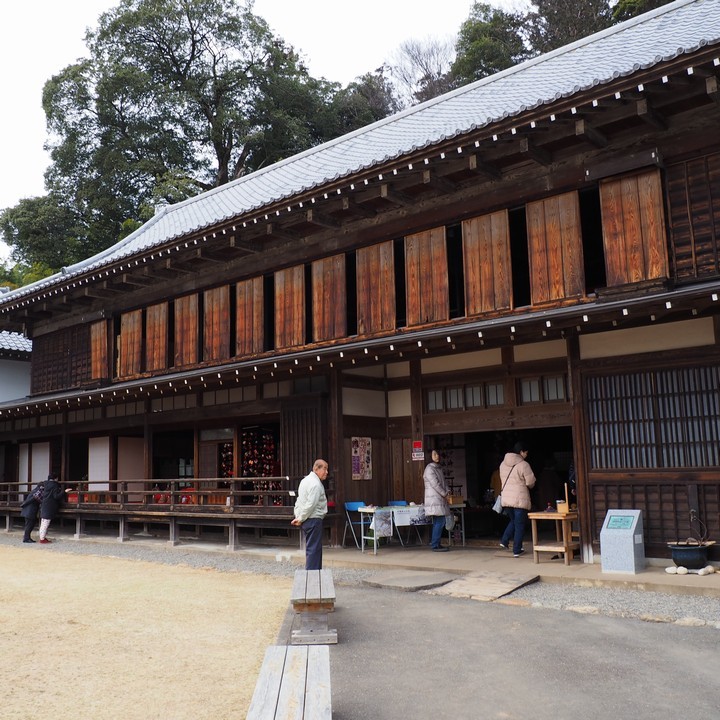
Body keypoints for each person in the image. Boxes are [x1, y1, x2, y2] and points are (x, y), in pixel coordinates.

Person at [499, 441, 536, 557]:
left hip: (506, 499)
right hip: (519, 499)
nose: (526, 455)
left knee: (514, 521)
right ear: (521, 452)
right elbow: (530, 482)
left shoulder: (502, 464)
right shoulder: (524, 465)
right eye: (525, 453)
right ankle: (517, 550)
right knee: (519, 524)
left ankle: (504, 540)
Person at [291, 459, 329, 570]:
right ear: (316, 469)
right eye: (325, 469)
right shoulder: (316, 484)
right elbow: (311, 504)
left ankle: (314, 573)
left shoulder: (305, 481)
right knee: (314, 549)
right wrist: (301, 518)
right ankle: (312, 574)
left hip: (307, 518)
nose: (326, 472)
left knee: (313, 547)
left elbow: (299, 500)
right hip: (313, 518)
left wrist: (298, 516)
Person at [423, 449, 450, 552]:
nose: (437, 456)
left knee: (439, 521)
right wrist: (444, 494)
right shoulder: (429, 469)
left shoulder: (438, 468)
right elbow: (436, 485)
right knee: (440, 521)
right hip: (435, 499)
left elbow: (443, 483)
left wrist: (447, 491)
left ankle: (437, 544)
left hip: (439, 498)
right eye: (434, 454)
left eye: (437, 454)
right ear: (430, 456)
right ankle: (435, 545)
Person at [38, 472, 70, 544]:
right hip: (50, 505)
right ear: (55, 478)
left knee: (43, 521)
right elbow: (56, 496)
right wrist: (64, 492)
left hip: (44, 504)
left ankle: (42, 537)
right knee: (46, 522)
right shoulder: (55, 485)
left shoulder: (44, 484)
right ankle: (42, 539)